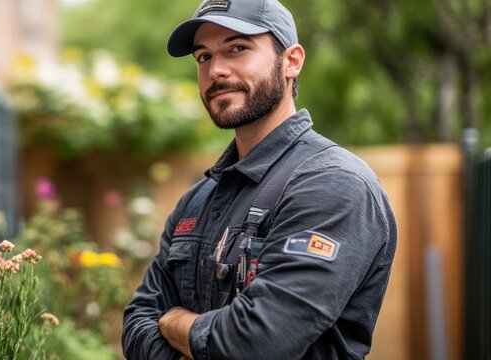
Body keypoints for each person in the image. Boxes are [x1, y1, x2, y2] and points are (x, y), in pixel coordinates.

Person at [121, 0, 398, 359]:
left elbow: (257, 344)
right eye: (203, 57)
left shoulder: (333, 184)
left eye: (237, 48)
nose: (216, 70)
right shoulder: (197, 200)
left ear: (292, 61)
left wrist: (173, 321)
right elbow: (136, 324)